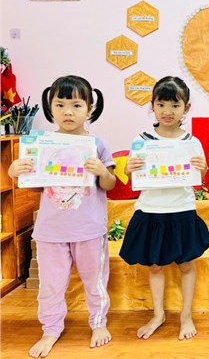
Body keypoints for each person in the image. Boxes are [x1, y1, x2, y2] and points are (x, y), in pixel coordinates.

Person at [8, 75, 116, 358]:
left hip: (89, 230)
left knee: (95, 281)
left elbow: (110, 184)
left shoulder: (97, 144)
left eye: (76, 105)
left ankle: (98, 323)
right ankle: (51, 329)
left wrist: (101, 172)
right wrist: (15, 171)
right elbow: (33, 184)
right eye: (60, 104)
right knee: (50, 286)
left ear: (90, 108)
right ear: (50, 107)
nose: (68, 112)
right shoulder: (41, 144)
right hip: (51, 231)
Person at [119, 76, 209, 341]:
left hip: (182, 210)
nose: (167, 111)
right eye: (161, 104)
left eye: (175, 105)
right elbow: (131, 176)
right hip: (151, 210)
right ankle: (158, 314)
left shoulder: (192, 141)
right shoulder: (141, 139)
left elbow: (199, 178)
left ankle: (186, 315)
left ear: (186, 108)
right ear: (152, 106)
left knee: (186, 264)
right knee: (156, 265)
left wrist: (203, 169)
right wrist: (129, 169)